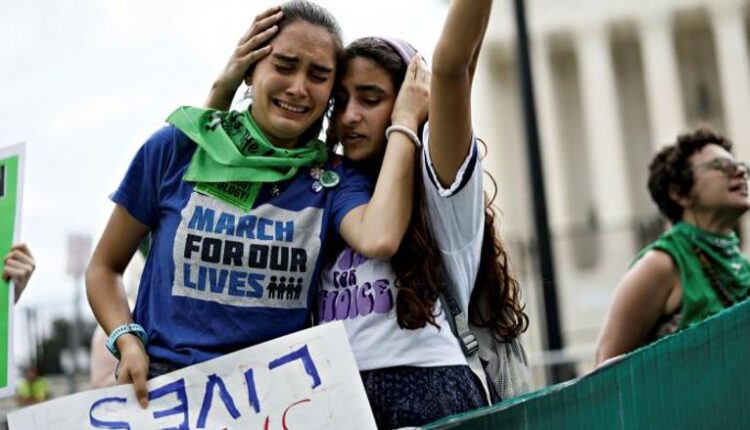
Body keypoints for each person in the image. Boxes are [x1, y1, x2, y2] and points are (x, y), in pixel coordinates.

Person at [209, 1, 527, 428]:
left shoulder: (439, 187)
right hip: (336, 400)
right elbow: (207, 190)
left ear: (413, 102)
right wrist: (227, 82)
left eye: (371, 99)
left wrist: (407, 122)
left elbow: (453, 68)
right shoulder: (323, 188)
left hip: (430, 390)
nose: (350, 116)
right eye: (340, 101)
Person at [87, 1, 411, 409]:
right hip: (166, 398)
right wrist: (125, 338)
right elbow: (103, 268)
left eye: (318, 76)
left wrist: (405, 122)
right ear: (250, 68)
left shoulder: (333, 179)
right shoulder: (175, 149)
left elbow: (379, 236)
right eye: (284, 66)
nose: (298, 88)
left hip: (276, 404)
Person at [595, 127, 750, 365]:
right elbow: (604, 370)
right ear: (680, 193)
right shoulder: (661, 265)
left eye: (741, 166)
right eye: (721, 165)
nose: (740, 172)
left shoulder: (742, 266)